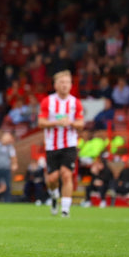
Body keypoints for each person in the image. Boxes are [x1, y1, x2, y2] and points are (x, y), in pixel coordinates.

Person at [38, 70, 84, 217]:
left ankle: (65, 210)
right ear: (56, 85)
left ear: (71, 85)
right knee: (52, 179)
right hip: (52, 145)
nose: (65, 85)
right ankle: (53, 196)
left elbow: (81, 123)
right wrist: (57, 122)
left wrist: (71, 123)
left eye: (67, 82)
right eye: (62, 82)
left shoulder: (75, 102)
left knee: (66, 174)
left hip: (69, 144)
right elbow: (41, 122)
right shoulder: (48, 101)